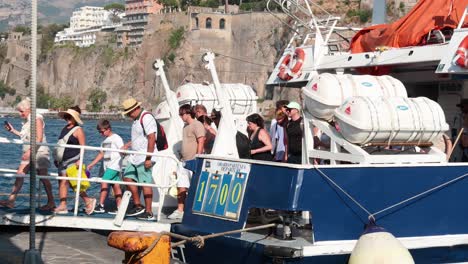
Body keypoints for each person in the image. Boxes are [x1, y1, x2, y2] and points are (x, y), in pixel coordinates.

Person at [0, 98, 55, 210]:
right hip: (30, 151)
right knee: (20, 174)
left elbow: (39, 139)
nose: (20, 114)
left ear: (29, 109)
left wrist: (30, 152)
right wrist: (12, 131)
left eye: (22, 111)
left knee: (43, 177)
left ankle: (51, 202)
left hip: (39, 152)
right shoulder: (28, 121)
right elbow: (24, 136)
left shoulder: (37, 119)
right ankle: (11, 201)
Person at [54, 106, 96, 215]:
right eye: (66, 116)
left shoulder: (78, 130)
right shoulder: (65, 128)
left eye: (70, 116)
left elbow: (83, 146)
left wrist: (80, 160)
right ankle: (64, 205)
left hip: (73, 160)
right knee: (63, 182)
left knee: (73, 183)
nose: (67, 118)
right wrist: (57, 158)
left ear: (75, 118)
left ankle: (87, 200)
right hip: (63, 161)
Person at [120, 98, 156, 220]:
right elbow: (139, 138)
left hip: (144, 156)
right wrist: (128, 145)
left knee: (145, 183)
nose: (129, 115)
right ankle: (138, 204)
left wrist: (148, 158)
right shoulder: (136, 120)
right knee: (127, 176)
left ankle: (149, 212)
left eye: (130, 112)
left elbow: (151, 137)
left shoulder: (146, 117)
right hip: (135, 156)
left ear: (136, 109)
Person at [168, 104, 206, 220]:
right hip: (184, 161)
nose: (180, 116)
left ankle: (193, 210)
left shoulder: (197, 125)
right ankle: (180, 209)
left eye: (181, 114)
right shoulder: (185, 126)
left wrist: (197, 157)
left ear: (187, 113)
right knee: (181, 186)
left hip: (193, 161)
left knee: (194, 186)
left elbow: (201, 141)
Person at [87, 119, 124, 214]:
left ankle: (101, 205)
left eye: (102, 131)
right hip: (108, 167)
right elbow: (101, 154)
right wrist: (92, 164)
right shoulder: (104, 141)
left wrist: (125, 149)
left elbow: (122, 150)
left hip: (114, 166)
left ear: (108, 129)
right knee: (116, 187)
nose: (101, 134)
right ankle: (120, 207)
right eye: (99, 132)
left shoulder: (116, 138)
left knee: (104, 181)